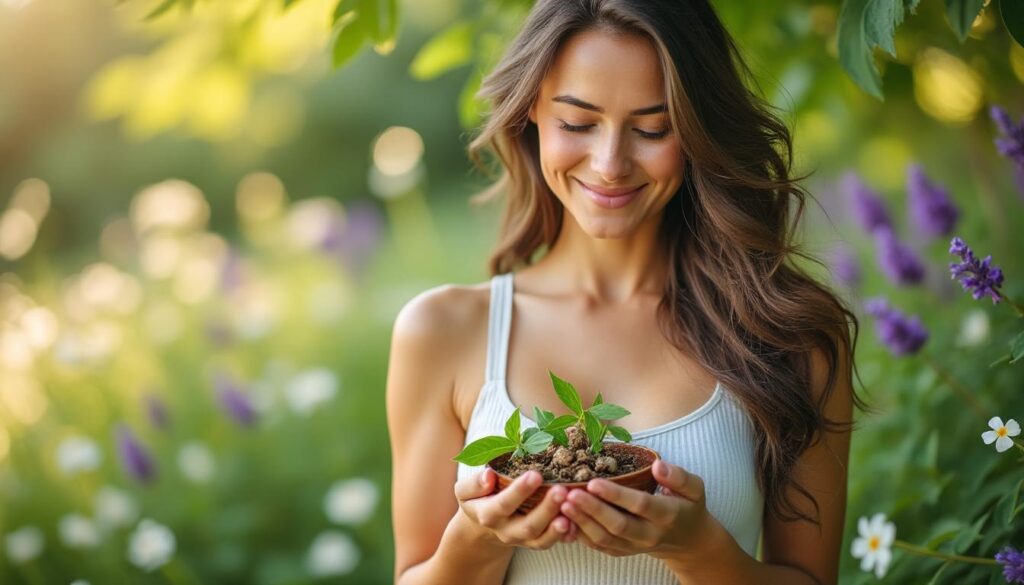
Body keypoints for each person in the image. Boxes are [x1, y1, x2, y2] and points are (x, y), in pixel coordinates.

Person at [386, 1, 861, 583]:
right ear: (532, 111)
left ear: (697, 131)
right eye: (578, 123)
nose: (610, 164)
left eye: (652, 128)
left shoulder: (787, 333)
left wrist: (700, 551)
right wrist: (480, 539)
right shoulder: (442, 331)